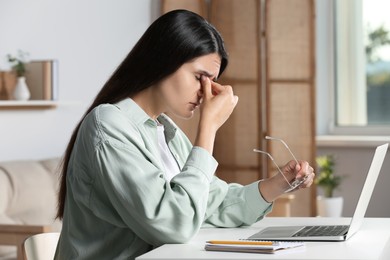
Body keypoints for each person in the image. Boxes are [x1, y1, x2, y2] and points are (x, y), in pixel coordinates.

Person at [54, 9, 315, 260]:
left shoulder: (164, 131)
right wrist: (209, 128)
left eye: (212, 81)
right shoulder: (108, 124)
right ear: (164, 60)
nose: (206, 92)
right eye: (200, 78)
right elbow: (174, 225)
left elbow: (213, 204)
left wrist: (279, 183)